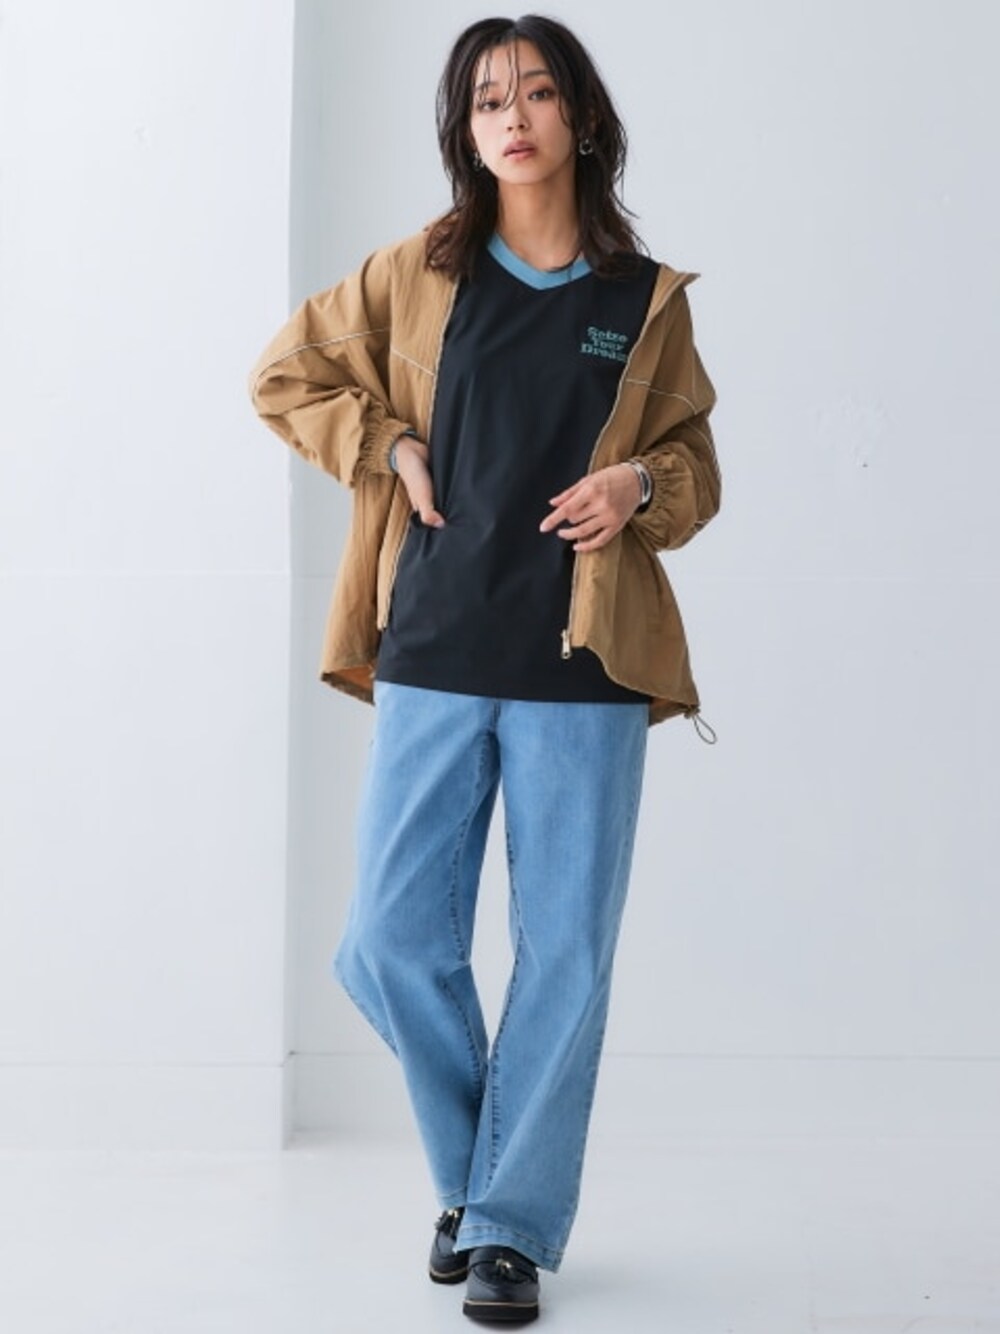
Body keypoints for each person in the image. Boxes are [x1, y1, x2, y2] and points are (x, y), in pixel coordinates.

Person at [249, 14, 720, 1324]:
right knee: (388, 940)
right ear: (466, 129)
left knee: (564, 951)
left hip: (584, 666)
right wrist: (388, 444)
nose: (513, 117)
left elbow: (696, 466)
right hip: (436, 646)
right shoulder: (423, 269)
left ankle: (503, 1228)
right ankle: (481, 1183)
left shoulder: (645, 299)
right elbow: (286, 374)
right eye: (487, 99)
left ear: (582, 118)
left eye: (538, 93)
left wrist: (637, 485)